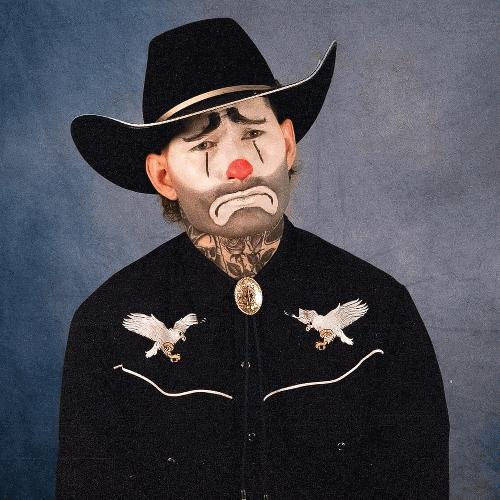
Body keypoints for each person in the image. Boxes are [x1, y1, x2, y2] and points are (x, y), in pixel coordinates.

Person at [56, 18, 449, 500]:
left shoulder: (382, 309)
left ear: (287, 143)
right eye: (204, 145)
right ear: (163, 176)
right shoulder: (106, 324)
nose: (238, 167)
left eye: (253, 134)